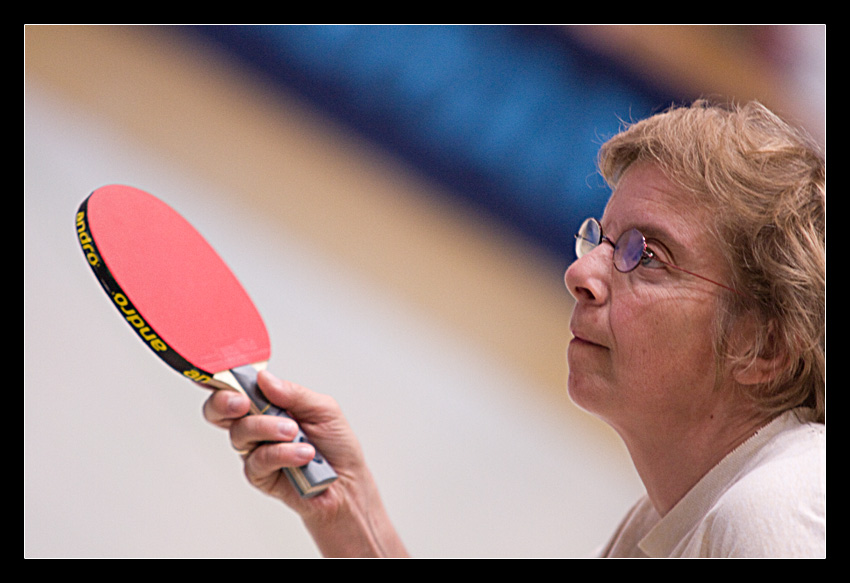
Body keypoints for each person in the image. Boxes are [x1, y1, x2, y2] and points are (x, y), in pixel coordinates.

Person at [203, 100, 825, 558]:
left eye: (647, 254)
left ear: (764, 345)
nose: (581, 272)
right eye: (600, 238)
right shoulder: (664, 521)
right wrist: (349, 512)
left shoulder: (772, 520)